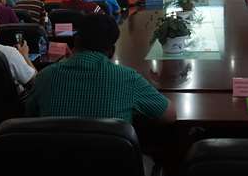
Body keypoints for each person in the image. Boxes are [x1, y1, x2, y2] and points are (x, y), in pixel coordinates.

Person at [26, 13, 174, 123]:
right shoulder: (127, 78)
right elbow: (170, 115)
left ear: (75, 42)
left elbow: (29, 114)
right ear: (112, 51)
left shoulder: (45, 76)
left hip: (54, 156)